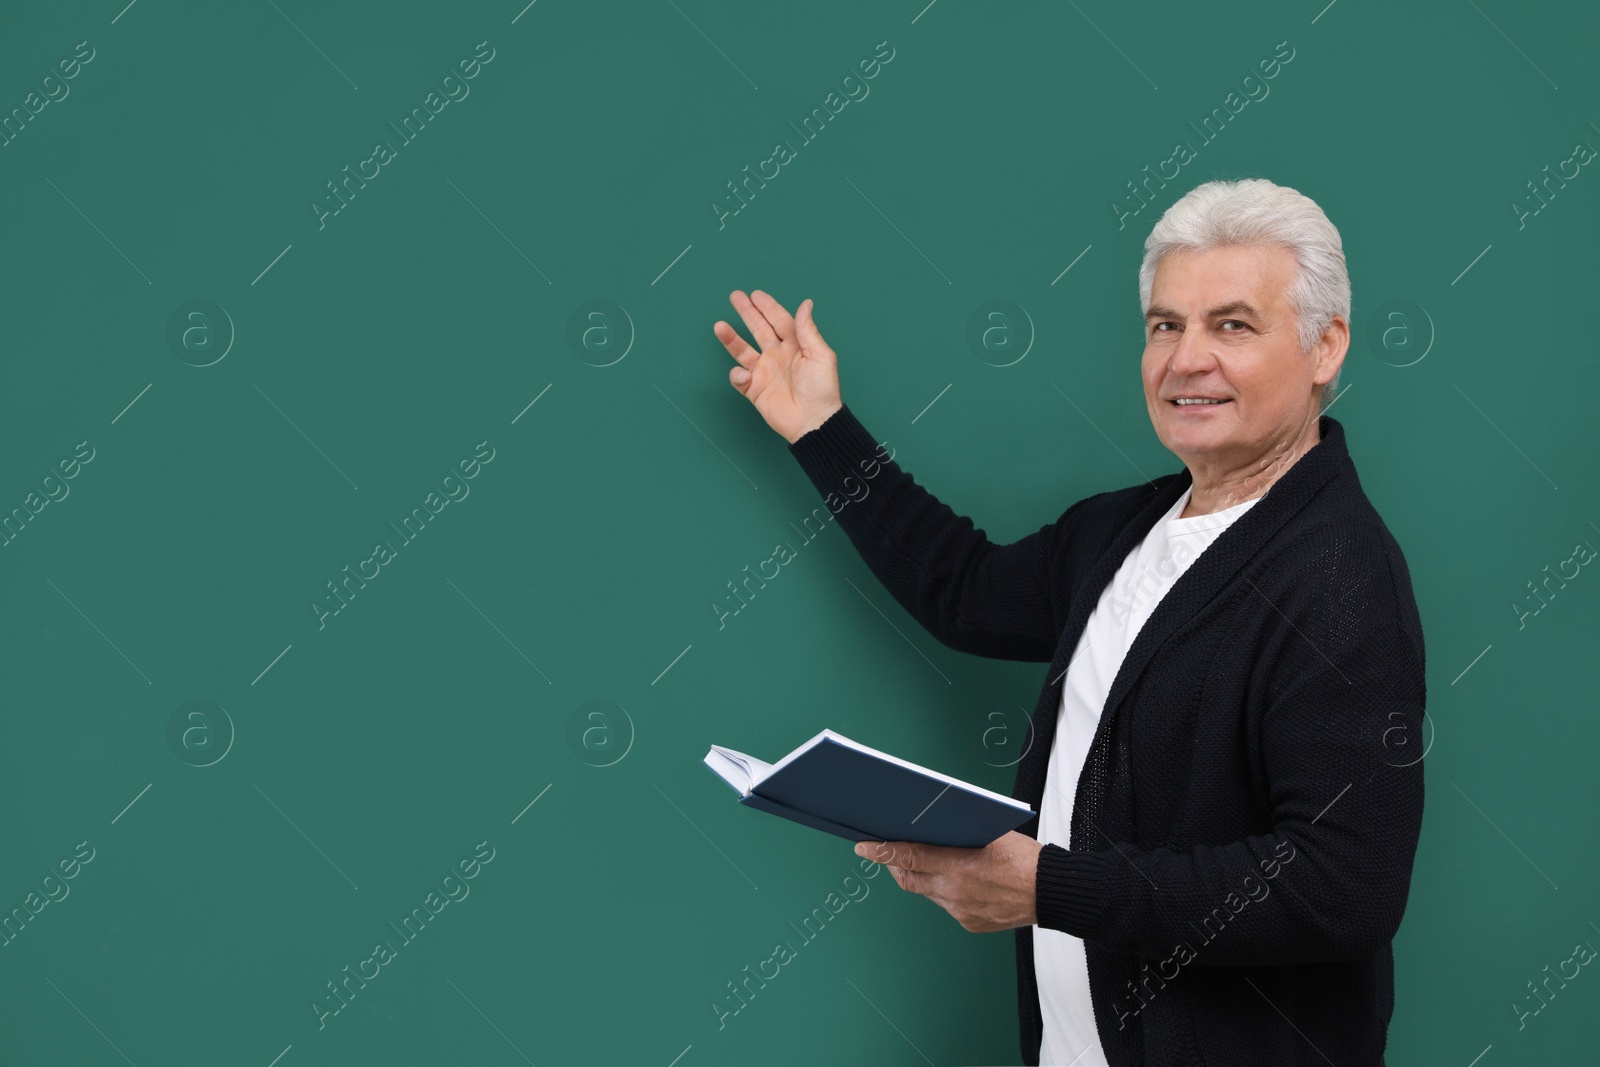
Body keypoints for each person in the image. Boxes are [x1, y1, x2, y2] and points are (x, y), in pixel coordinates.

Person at [710, 178, 1426, 1066]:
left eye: (1232, 325)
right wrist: (819, 425)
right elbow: (962, 589)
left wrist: (1050, 886)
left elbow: (1341, 889)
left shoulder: (1341, 574)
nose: (1185, 359)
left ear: (1326, 347)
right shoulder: (1121, 532)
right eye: (1166, 324)